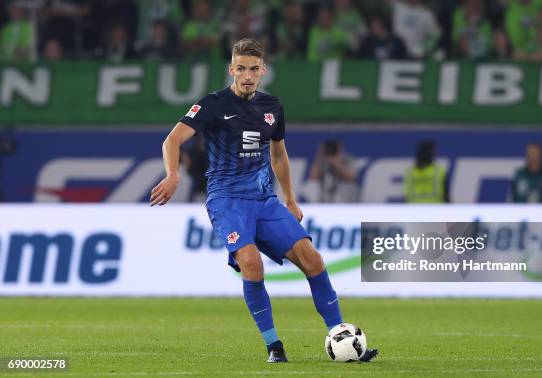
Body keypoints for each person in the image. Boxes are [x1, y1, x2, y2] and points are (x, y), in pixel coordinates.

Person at [149, 38, 378, 363]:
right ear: (231, 70)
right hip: (227, 199)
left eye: (253, 69)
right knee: (251, 264)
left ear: (263, 71)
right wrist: (173, 174)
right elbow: (173, 139)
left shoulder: (272, 107)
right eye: (240, 68)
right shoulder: (212, 104)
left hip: (264, 200)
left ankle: (340, 334)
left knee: (312, 259)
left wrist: (291, 198)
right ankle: (274, 345)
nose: (247, 75)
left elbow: (279, 155)